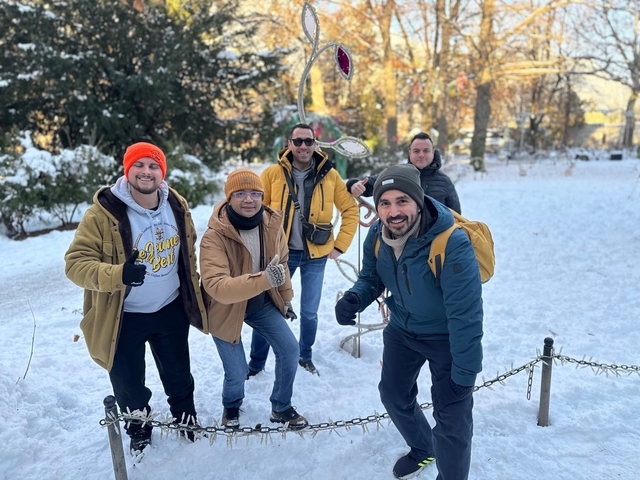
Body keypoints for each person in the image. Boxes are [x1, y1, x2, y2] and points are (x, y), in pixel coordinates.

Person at [335, 164, 483, 480]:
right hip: (402, 330)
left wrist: (465, 372)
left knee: (452, 419)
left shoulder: (451, 242)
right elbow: (371, 277)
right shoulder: (377, 233)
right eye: (385, 203)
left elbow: (466, 314)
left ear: (418, 200)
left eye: (402, 201)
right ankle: (422, 447)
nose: (393, 211)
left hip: (447, 338)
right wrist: (355, 298)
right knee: (393, 395)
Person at [64, 142, 207, 454]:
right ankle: (139, 429)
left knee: (179, 374)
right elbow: (75, 265)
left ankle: (186, 418)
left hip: (170, 308)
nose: (146, 171)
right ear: (127, 171)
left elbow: (188, 255)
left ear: (162, 172)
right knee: (129, 385)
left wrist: (195, 292)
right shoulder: (103, 214)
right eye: (139, 165)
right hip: (124, 315)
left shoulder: (175, 204)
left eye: (153, 165)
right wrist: (118, 275)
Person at [199, 169, 308, 430]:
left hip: (260, 303)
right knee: (237, 372)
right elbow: (217, 286)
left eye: (255, 193)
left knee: (290, 349)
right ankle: (232, 405)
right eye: (240, 193)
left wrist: (286, 298)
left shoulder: (271, 225)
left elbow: (280, 264)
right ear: (229, 197)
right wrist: (264, 280)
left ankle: (281, 407)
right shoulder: (214, 236)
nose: (249, 199)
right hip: (226, 308)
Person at [249, 123, 359, 376]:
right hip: (280, 255)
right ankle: (256, 363)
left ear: (315, 144)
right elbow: (257, 210)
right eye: (297, 141)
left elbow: (350, 210)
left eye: (308, 141)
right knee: (269, 307)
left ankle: (305, 355)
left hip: (315, 256)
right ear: (289, 144)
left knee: (309, 311)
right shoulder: (272, 174)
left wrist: (340, 245)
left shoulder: (330, 175)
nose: (303, 146)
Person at [347, 132, 461, 214]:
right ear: (410, 153)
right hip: (401, 243)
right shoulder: (397, 175)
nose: (421, 155)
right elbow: (368, 184)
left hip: (435, 243)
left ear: (433, 153)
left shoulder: (444, 182)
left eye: (426, 150)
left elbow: (456, 218)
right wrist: (354, 184)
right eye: (416, 151)